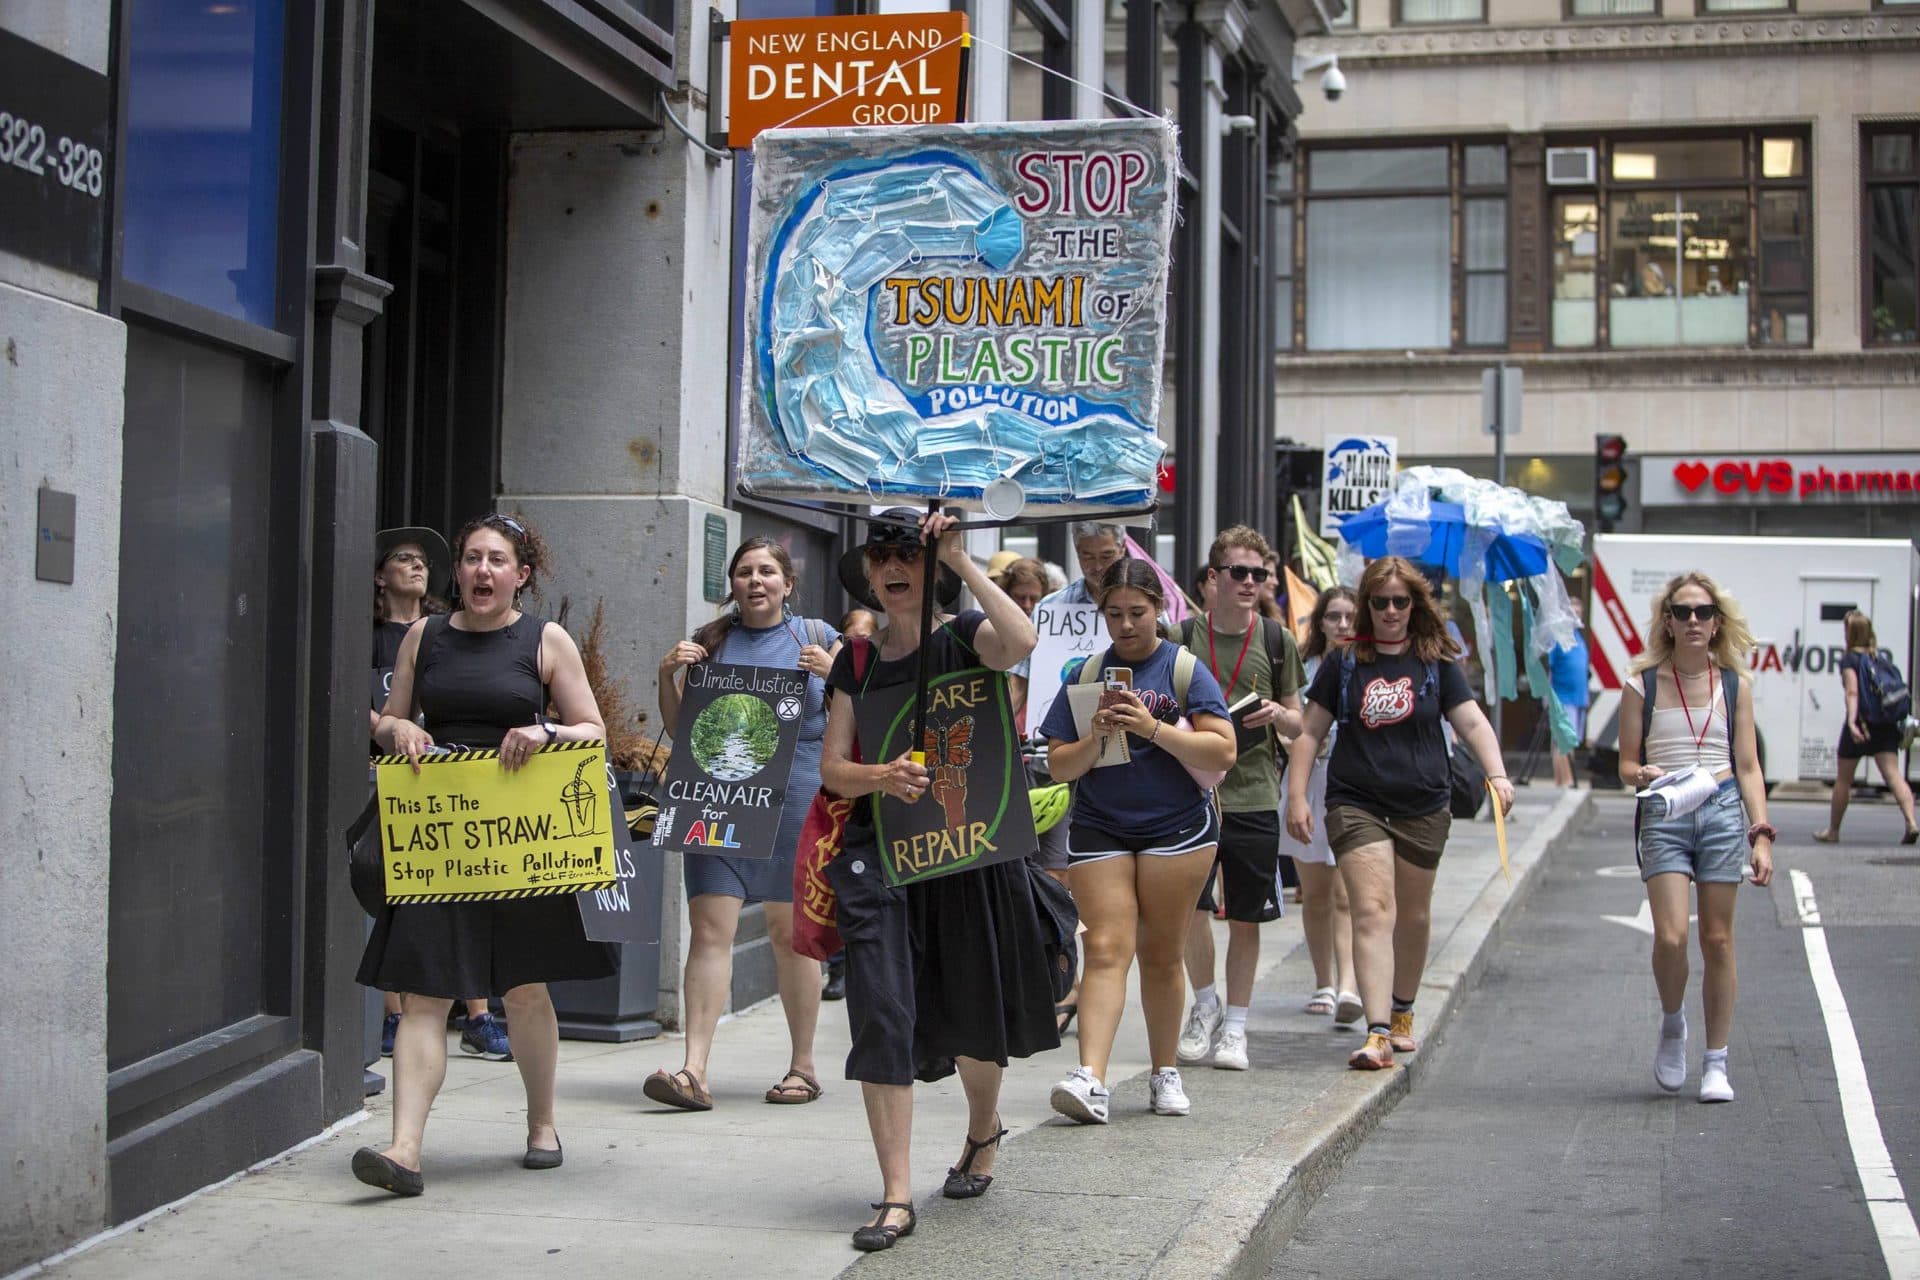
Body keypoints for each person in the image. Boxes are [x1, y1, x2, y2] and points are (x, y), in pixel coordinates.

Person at [354, 513, 616, 1194]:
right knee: (425, 992)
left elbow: (593, 731)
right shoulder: (426, 635)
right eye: (471, 559)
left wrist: (545, 730)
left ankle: (541, 1122)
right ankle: (404, 1148)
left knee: (526, 989)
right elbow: (388, 721)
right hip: (440, 838)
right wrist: (398, 731)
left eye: (497, 560)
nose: (481, 571)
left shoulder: (544, 640)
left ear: (521, 575)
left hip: (524, 840)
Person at [819, 509, 1057, 1252]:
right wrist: (880, 777)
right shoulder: (854, 660)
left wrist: (962, 560)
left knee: (969, 1013)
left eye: (908, 555)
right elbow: (833, 769)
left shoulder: (964, 637)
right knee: (883, 1016)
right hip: (880, 860)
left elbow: (1021, 642)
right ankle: (895, 1194)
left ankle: (983, 1128)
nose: (894, 568)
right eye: (881, 557)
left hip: (965, 856)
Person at [1286, 556, 1512, 1072]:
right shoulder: (1345, 662)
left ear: (1415, 605)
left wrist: (1497, 773)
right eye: (1380, 601)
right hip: (1355, 801)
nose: (1390, 611)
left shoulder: (1435, 661)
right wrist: (1297, 797)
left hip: (1424, 803)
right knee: (1372, 911)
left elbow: (1473, 724)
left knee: (1412, 915)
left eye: (1400, 602)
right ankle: (1378, 1029)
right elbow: (1309, 734)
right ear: (1366, 605)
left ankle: (1403, 1011)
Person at [1041, 559, 1236, 1123]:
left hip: (1177, 827)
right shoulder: (1085, 675)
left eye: (1137, 613)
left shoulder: (1184, 670)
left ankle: (1162, 1071)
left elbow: (1222, 752)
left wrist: (1151, 728)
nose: (1125, 626)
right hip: (1101, 824)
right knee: (1104, 948)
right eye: (1114, 614)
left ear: (1160, 611)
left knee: (1160, 953)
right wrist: (1097, 736)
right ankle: (1090, 1079)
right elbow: (1058, 766)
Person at [649, 538, 841, 1111]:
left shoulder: (815, 636)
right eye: (744, 572)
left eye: (766, 572)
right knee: (710, 930)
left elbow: (856, 715)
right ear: (730, 583)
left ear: (786, 583)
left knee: (791, 936)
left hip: (796, 801)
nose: (755, 581)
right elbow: (684, 731)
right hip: (718, 796)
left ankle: (802, 1067)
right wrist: (667, 677)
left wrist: (834, 675)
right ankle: (693, 1070)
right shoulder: (711, 641)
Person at [1617, 573, 1775, 1103]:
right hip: (1665, 808)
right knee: (1671, 937)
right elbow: (1625, 764)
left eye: (1702, 613)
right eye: (1682, 612)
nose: (1692, 621)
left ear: (1716, 623)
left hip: (1723, 808)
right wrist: (1641, 774)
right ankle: (1672, 1023)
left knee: (1718, 938)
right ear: (1667, 621)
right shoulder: (1641, 683)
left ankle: (1716, 1063)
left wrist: (1761, 834)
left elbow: (1749, 766)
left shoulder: (1735, 685)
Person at [369, 528, 508, 1061]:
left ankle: (477, 1015)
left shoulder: (443, 631)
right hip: (397, 779)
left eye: (424, 560)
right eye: (403, 558)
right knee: (405, 897)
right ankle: (395, 1012)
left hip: (461, 786)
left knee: (470, 896)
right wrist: (387, 726)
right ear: (381, 575)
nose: (417, 566)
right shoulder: (378, 635)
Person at [1174, 527, 1304, 1073]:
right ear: (1213, 579)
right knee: (1190, 910)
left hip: (1253, 794)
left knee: (1247, 916)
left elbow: (1301, 724)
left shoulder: (1277, 641)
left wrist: (1278, 715)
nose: (1250, 582)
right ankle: (1205, 1005)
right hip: (1190, 793)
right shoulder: (1181, 637)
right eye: (1239, 572)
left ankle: (1238, 1026)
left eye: (1259, 574)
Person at [1285, 587, 1361, 1028]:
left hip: (1352, 783)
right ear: (1321, 622)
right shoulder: (1305, 665)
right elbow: (1295, 726)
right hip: (1308, 779)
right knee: (1315, 892)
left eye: (1351, 616)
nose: (1343, 625)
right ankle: (1323, 981)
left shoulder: (1366, 665)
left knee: (1347, 894)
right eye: (1334, 616)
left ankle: (1350, 982)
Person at [1815, 610, 1919, 844]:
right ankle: (1911, 822)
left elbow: (1852, 692)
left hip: (1862, 725)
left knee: (1844, 780)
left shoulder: (1850, 659)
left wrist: (1852, 722)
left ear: (1849, 633)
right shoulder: (1879, 658)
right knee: (1893, 776)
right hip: (1885, 725)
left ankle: (1833, 830)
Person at [1549, 595, 1592, 789]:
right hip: (1562, 697)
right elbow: (1548, 668)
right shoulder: (1558, 638)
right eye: (1572, 612)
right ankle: (1565, 781)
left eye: (1579, 613)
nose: (1576, 616)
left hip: (1577, 699)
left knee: (1567, 742)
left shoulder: (1578, 637)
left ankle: (1564, 781)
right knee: (1563, 742)